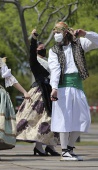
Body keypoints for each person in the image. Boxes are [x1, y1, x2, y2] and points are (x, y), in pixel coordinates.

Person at [48, 21, 98, 161]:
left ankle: (69, 149)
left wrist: (86, 33)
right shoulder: (54, 50)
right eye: (54, 33)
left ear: (65, 32)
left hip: (77, 86)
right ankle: (64, 152)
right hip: (62, 87)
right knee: (64, 119)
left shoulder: (79, 43)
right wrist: (54, 88)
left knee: (84, 118)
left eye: (58, 32)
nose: (56, 35)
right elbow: (55, 70)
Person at [16, 29, 60, 156]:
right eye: (41, 48)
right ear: (36, 50)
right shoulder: (34, 60)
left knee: (53, 120)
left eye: (44, 48)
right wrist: (33, 40)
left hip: (51, 91)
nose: (43, 49)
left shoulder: (49, 61)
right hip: (40, 92)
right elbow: (31, 53)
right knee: (40, 119)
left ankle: (51, 146)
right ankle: (39, 147)